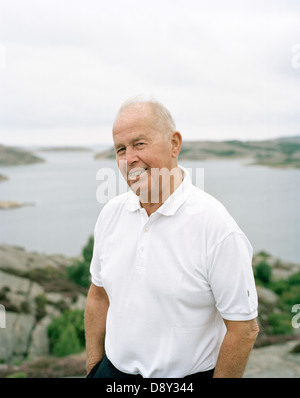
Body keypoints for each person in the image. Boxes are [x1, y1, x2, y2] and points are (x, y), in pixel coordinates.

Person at [85, 97, 259, 378]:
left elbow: (244, 329)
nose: (129, 159)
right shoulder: (110, 215)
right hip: (112, 373)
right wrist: (94, 369)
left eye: (139, 144)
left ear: (174, 144)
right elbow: (98, 295)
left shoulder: (216, 227)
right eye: (121, 149)